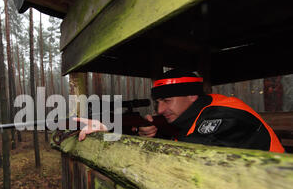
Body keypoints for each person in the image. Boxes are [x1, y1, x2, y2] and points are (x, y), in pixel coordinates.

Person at [77, 69, 285, 153]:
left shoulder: (225, 114)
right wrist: (145, 133)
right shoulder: (188, 118)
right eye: (158, 101)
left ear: (192, 96)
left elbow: (183, 156)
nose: (160, 109)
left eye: (167, 100)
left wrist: (112, 135)